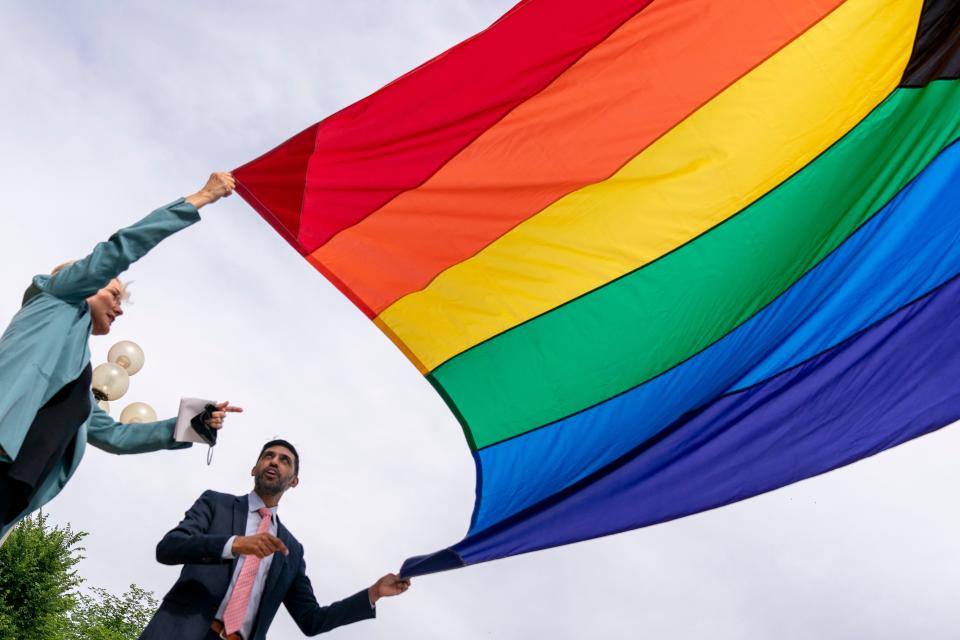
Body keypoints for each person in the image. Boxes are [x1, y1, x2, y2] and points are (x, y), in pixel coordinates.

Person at [0, 172, 242, 536]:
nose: (120, 307)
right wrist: (202, 197)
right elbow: (119, 249)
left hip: (12, 493)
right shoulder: (57, 296)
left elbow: (116, 436)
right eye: (113, 293)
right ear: (83, 283)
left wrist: (196, 421)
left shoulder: (78, 377)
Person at [141, 440, 410, 639]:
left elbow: (311, 620)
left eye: (284, 460)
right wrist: (233, 544)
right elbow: (168, 548)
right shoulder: (216, 504)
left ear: (294, 481)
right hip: (180, 632)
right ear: (254, 468)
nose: (274, 461)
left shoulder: (291, 549)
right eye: (268, 456)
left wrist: (373, 593)